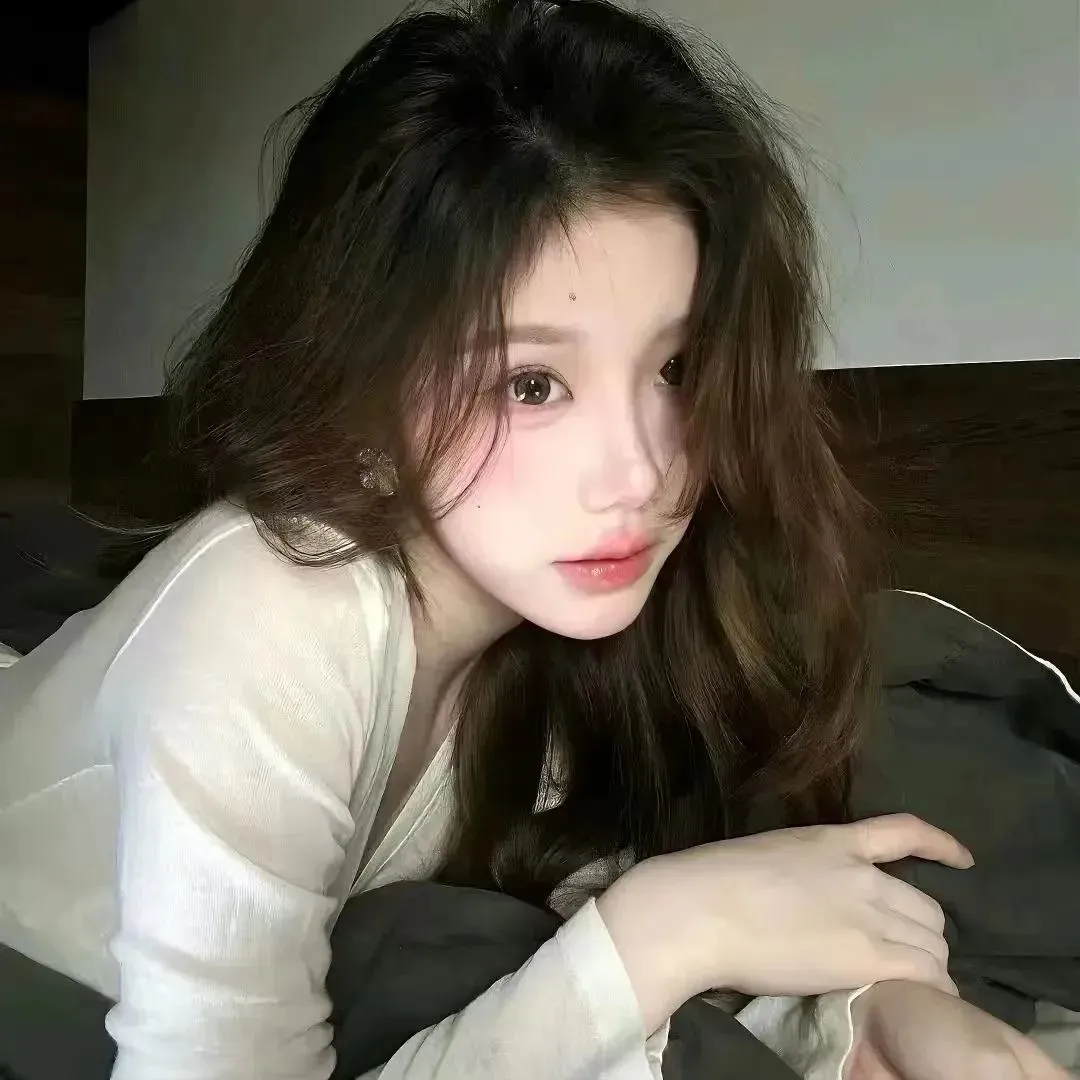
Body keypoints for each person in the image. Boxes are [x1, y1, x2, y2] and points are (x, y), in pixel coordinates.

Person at [0, 2, 1067, 1079]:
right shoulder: (269, 612)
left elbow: (637, 932)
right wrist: (662, 929)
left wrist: (867, 1017)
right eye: (532, 384)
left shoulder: (557, 627)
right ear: (361, 385)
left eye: (677, 369)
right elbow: (636, 944)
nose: (642, 474)